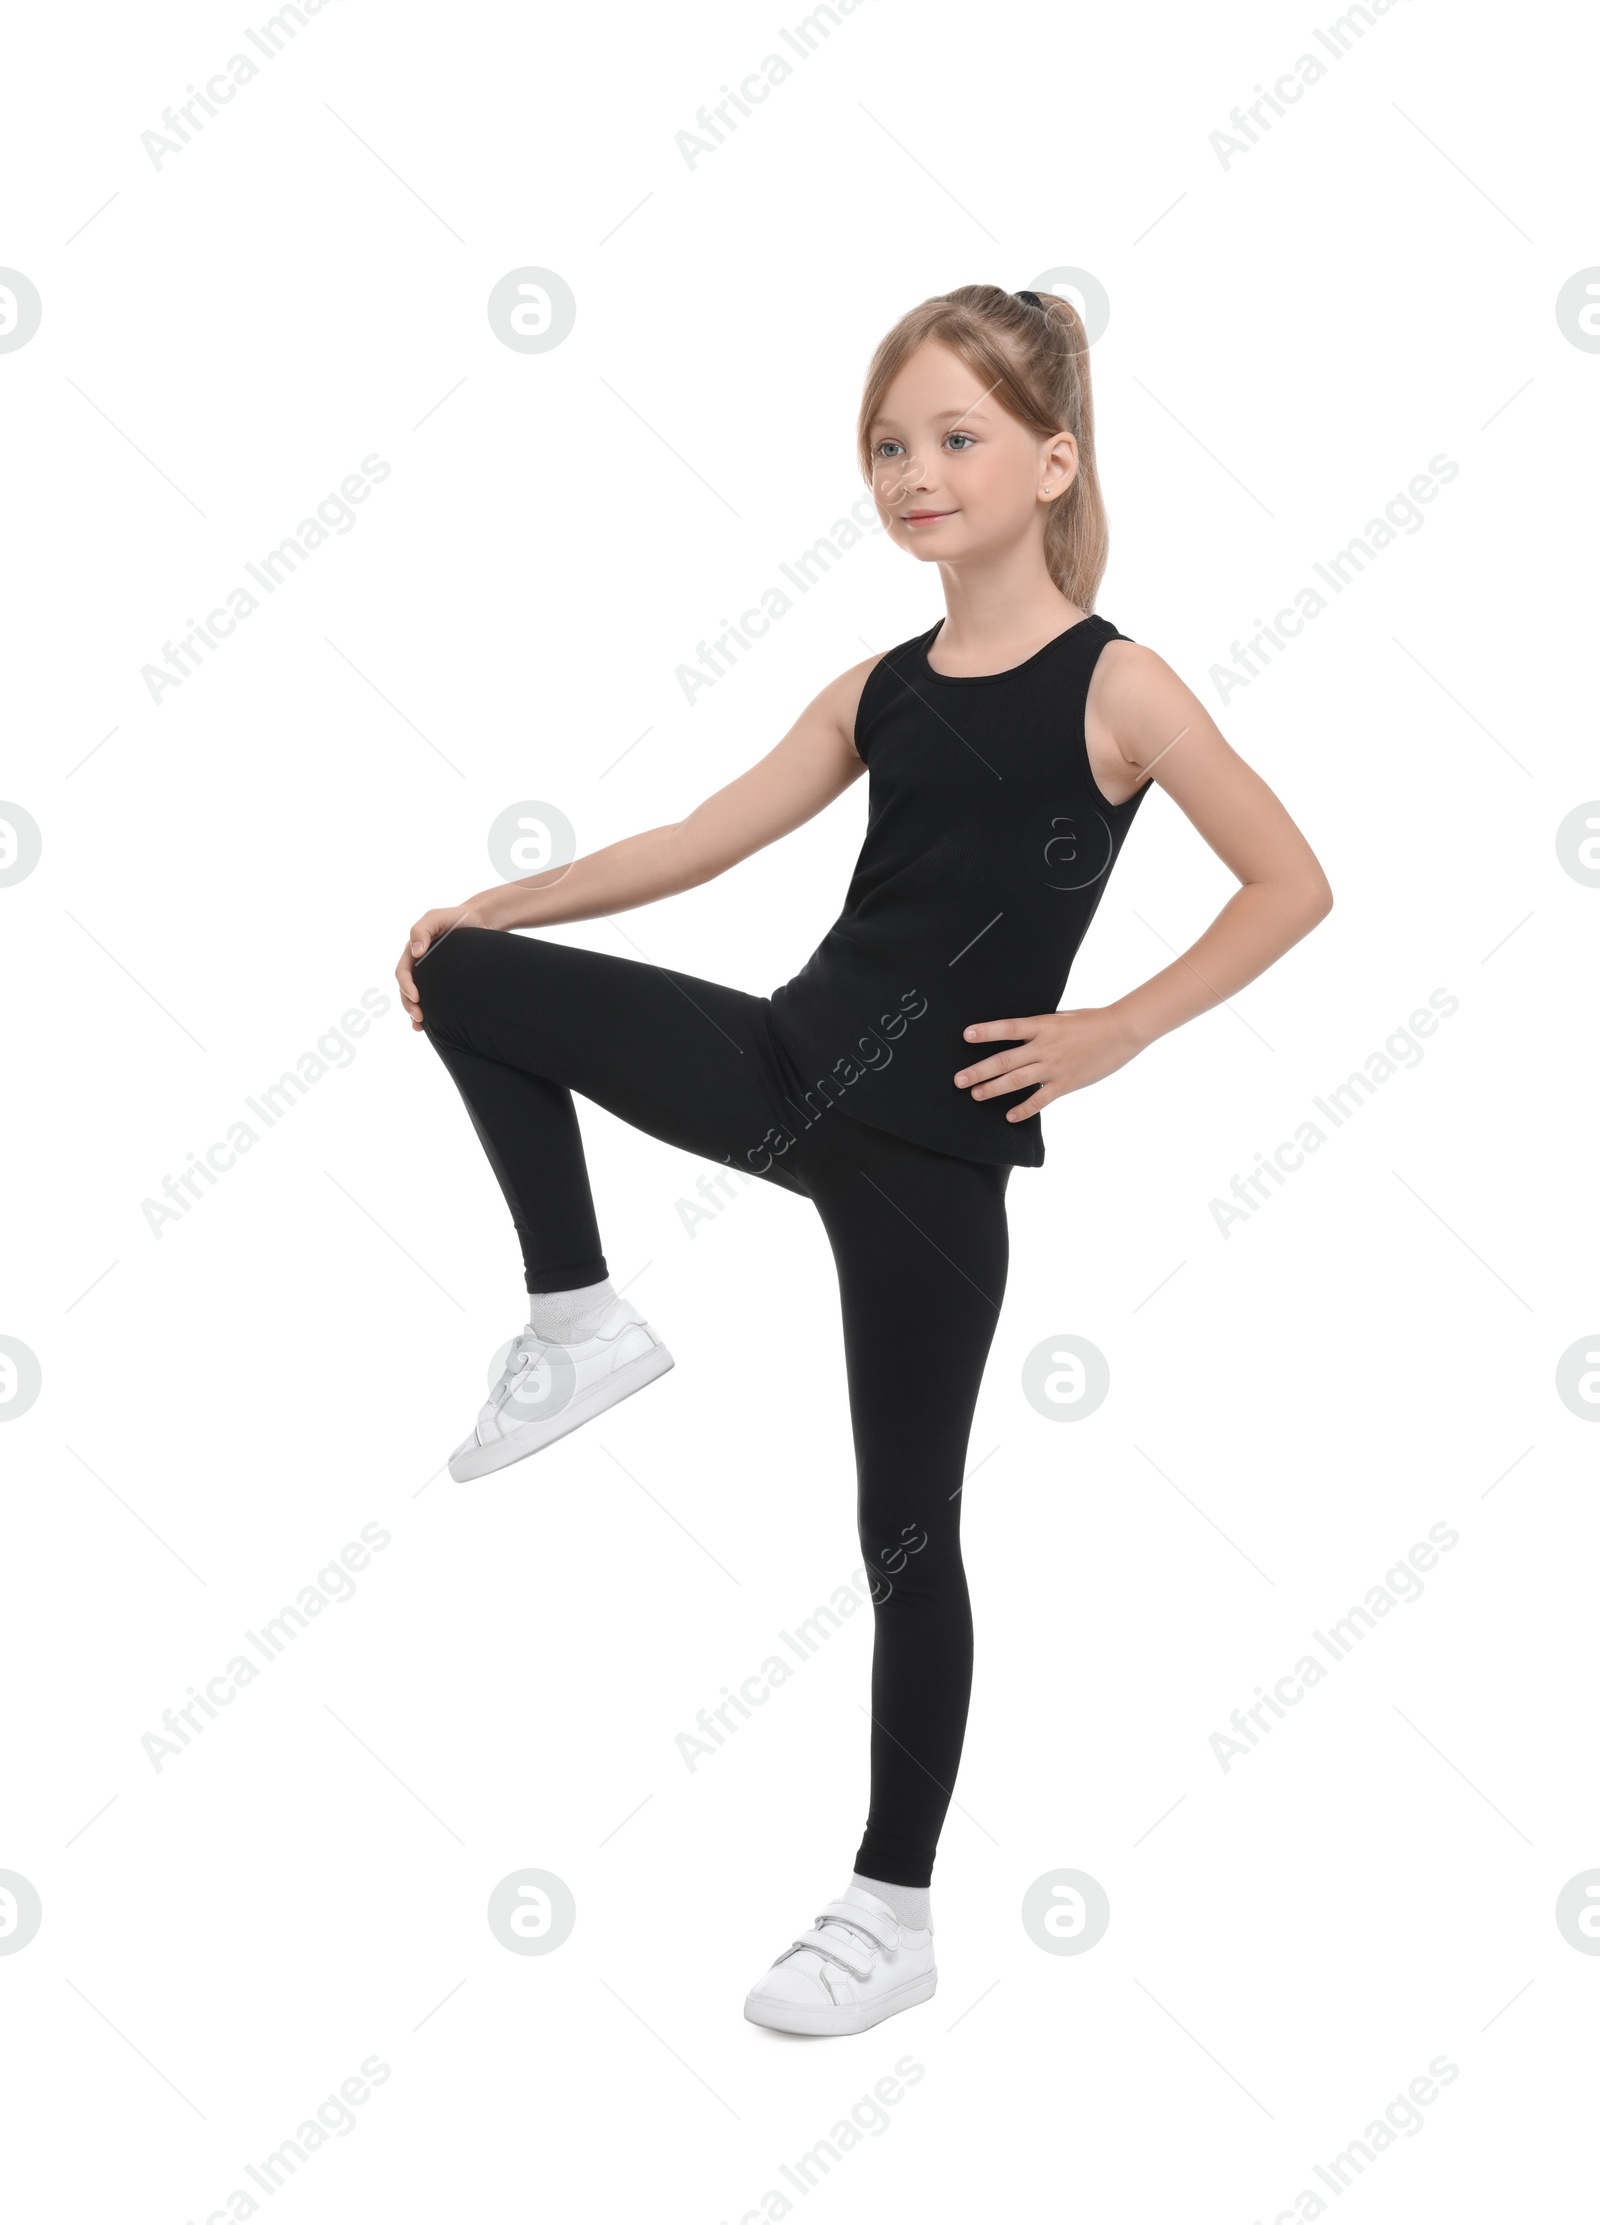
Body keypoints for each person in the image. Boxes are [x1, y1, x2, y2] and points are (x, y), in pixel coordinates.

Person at [395, 283, 1333, 2037]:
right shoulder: (884, 684)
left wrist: (1110, 1030)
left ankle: (890, 1906)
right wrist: (487, 907)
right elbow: (697, 837)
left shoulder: (1120, 684)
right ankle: (580, 1316)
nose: (914, 470)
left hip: (933, 1161)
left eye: (955, 437)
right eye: (888, 444)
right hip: (784, 1065)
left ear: (1054, 462)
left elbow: (1293, 882)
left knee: (905, 1532)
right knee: (462, 978)